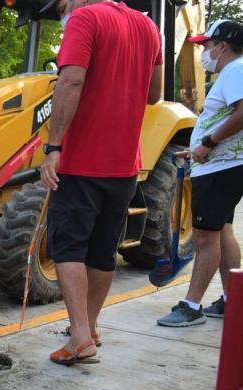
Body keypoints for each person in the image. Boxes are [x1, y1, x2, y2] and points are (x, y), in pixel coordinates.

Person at [39, 0, 163, 364]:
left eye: (63, 4)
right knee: (103, 249)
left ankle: (79, 338)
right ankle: (90, 326)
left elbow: (72, 79)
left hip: (82, 161)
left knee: (68, 247)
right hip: (125, 165)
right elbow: (154, 94)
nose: (64, 9)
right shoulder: (147, 27)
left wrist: (54, 147)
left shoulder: (85, 19)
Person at [157, 20, 243, 327]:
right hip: (222, 164)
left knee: (206, 237)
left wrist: (207, 143)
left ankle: (191, 306)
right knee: (221, 231)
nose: (204, 52)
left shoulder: (234, 70)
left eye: (206, 45)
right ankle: (235, 301)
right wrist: (196, 149)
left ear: (221, 46)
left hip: (222, 167)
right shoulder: (233, 72)